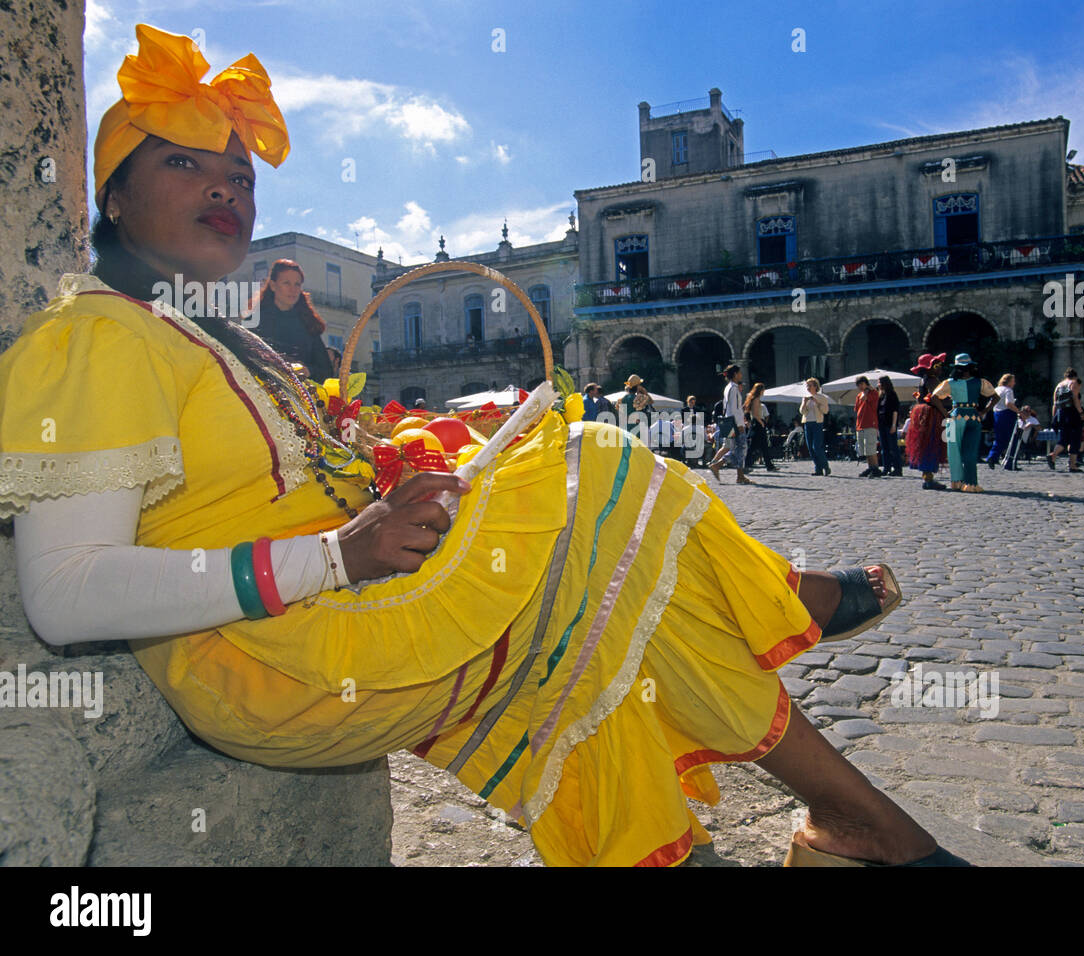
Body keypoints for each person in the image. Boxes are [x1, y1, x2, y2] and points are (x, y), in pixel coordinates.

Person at [0, 24, 975, 869]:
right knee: (594, 475)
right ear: (112, 198)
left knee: (595, 591)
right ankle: (809, 678)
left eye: (239, 174)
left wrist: (391, 467)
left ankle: (849, 821)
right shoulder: (94, 334)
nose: (224, 188)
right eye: (184, 163)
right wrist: (340, 550)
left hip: (340, 594)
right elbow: (66, 593)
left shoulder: (211, 333)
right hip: (270, 653)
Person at [245, 258, 333, 382]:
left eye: (297, 284)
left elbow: (326, 371)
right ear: (273, 285)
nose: (293, 289)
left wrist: (308, 371)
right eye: (286, 283)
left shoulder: (309, 323)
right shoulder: (253, 322)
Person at [930, 354, 997, 492]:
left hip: (954, 418)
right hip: (973, 416)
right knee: (970, 451)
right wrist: (984, 411)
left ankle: (957, 481)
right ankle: (971, 483)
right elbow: (995, 397)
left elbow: (934, 397)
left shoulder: (949, 382)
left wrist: (945, 413)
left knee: (953, 451)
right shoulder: (980, 382)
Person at [905, 353, 949, 490]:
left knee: (926, 444)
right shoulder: (931, 380)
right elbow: (935, 398)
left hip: (925, 415)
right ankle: (928, 479)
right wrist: (945, 412)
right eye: (936, 366)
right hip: (932, 415)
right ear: (929, 368)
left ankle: (928, 477)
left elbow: (921, 399)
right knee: (931, 443)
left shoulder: (924, 380)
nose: (939, 368)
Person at [707, 364, 752, 485]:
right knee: (741, 447)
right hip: (734, 422)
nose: (741, 375)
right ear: (735, 374)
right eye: (740, 373)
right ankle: (721, 467)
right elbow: (734, 408)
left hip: (728, 421)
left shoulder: (728, 387)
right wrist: (740, 424)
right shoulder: (734, 388)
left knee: (736, 448)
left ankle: (738, 475)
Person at [1047, 368, 1084, 472]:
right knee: (1075, 439)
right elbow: (1075, 399)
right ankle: (1072, 465)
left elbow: (1055, 403)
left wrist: (1054, 417)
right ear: (1075, 376)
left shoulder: (1059, 385)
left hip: (1062, 413)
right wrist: (1081, 412)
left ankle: (1053, 455)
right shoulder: (1073, 383)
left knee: (1064, 438)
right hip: (1073, 413)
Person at [984, 373, 1019, 468]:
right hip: (1007, 415)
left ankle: (992, 456)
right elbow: (1009, 404)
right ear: (1009, 382)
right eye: (1013, 381)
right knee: (1012, 439)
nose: (1014, 383)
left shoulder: (996, 389)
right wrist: (1018, 411)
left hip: (997, 414)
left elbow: (991, 402)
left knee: (999, 438)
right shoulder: (1008, 390)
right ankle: (1010, 462)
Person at [799, 378, 831, 476]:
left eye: (810, 385)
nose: (808, 388)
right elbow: (802, 412)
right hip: (807, 423)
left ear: (815, 386)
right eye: (807, 386)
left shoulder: (822, 397)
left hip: (817, 423)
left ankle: (825, 466)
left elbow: (825, 411)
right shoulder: (805, 397)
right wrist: (804, 403)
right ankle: (818, 469)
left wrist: (817, 403)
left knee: (816, 446)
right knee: (810, 448)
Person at [744, 382, 779, 473]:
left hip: (757, 423)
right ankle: (746, 465)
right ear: (760, 390)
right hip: (758, 423)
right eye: (763, 389)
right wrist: (761, 423)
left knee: (763, 446)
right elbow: (755, 414)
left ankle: (769, 466)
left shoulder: (755, 399)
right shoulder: (756, 400)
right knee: (753, 446)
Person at [852, 376, 882, 479]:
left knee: (871, 448)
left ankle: (876, 468)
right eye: (858, 385)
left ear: (866, 384)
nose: (860, 386)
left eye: (862, 384)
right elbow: (856, 408)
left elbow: (865, 398)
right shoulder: (858, 395)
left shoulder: (873, 393)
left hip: (870, 423)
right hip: (860, 424)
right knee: (864, 449)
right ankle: (871, 467)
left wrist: (867, 390)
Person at [877, 375, 903, 477]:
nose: (878, 384)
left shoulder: (892, 394)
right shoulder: (881, 396)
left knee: (893, 447)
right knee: (884, 448)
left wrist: (893, 425)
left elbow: (895, 411)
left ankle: (897, 469)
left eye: (879, 382)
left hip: (889, 424)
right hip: (882, 424)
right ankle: (886, 467)